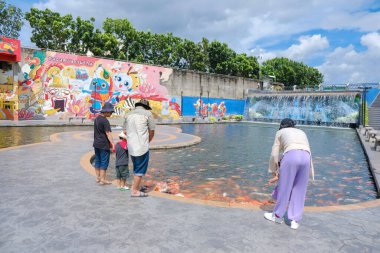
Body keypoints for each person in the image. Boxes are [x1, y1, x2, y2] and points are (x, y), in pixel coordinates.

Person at [264, 118, 314, 230]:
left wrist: (274, 171)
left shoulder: (280, 132)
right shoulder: (302, 132)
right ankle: (294, 221)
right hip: (306, 157)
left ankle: (277, 216)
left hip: (291, 156)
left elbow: (274, 154)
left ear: (282, 126)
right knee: (300, 189)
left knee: (284, 187)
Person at [124, 99, 155, 197]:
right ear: (146, 107)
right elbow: (152, 131)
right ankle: (134, 191)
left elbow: (124, 131)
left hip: (131, 146)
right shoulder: (148, 114)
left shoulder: (128, 114)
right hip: (142, 147)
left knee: (136, 167)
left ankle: (135, 187)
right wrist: (147, 141)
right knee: (140, 169)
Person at [93, 102, 115, 185]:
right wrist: (113, 144)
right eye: (110, 112)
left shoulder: (97, 119)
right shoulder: (105, 121)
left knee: (98, 161)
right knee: (104, 162)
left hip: (96, 143)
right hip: (103, 144)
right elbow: (108, 133)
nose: (111, 114)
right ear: (106, 112)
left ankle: (98, 178)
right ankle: (103, 179)